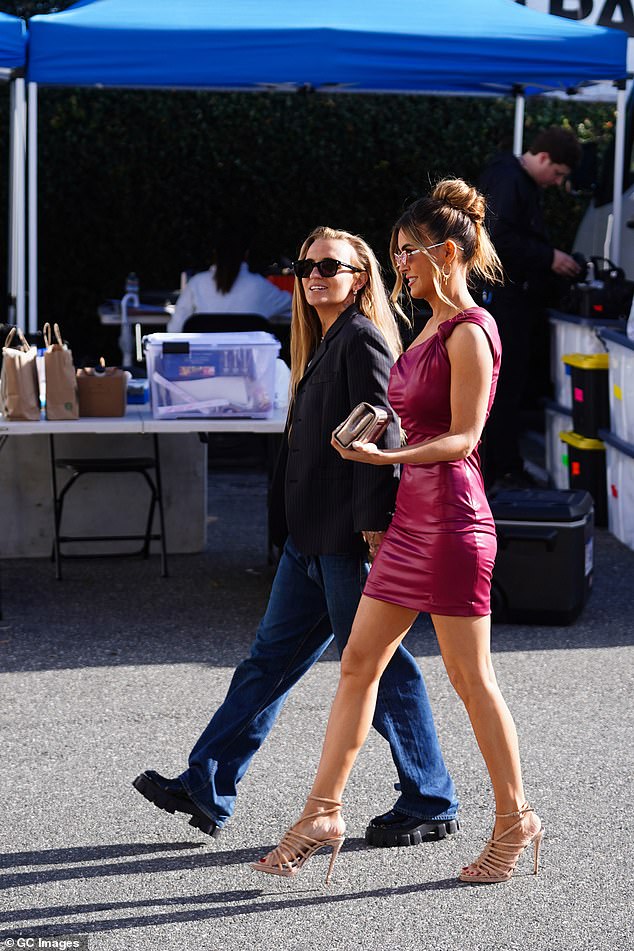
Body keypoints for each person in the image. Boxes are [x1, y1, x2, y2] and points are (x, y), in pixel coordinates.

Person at [252, 180, 543, 886]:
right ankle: (324, 811)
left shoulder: (472, 329)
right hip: (413, 516)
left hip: (451, 519)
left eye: (408, 253)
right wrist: (380, 432)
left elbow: (464, 438)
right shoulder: (425, 329)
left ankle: (515, 817)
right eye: (397, 255)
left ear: (447, 253)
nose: (401, 266)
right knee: (358, 664)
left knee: (473, 680)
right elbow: (413, 414)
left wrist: (386, 456)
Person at [134, 225, 459, 847]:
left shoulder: (362, 339)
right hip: (307, 542)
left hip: (346, 540)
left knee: (382, 672)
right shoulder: (323, 339)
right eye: (306, 265)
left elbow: (383, 431)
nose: (313, 276)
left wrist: (372, 528)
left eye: (329, 267)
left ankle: (431, 798)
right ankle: (204, 783)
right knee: (267, 665)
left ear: (360, 278)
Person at [478, 126, 582, 492]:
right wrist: (549, 257)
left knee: (505, 389)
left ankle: (501, 465)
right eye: (558, 174)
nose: (556, 182)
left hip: (508, 302)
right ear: (543, 158)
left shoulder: (508, 176)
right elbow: (498, 240)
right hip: (503, 303)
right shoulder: (510, 180)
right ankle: (498, 469)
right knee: (502, 390)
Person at [168, 230, 292, 332]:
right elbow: (292, 303)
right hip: (249, 361)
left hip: (204, 360)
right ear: (246, 254)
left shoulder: (197, 283)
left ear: (214, 254)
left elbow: (174, 329)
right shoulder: (259, 286)